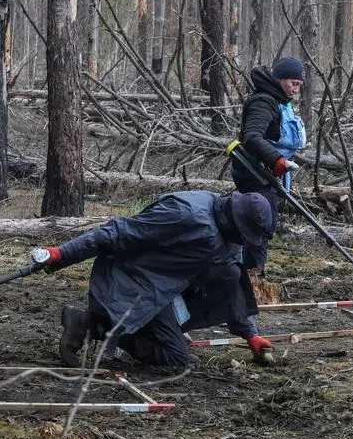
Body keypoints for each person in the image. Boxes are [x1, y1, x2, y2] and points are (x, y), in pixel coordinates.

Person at [36, 190, 280, 368]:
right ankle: (90, 325)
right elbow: (119, 231)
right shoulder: (187, 214)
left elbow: (233, 283)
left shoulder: (228, 232)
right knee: (175, 359)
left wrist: (250, 334)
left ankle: (160, 333)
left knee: (231, 274)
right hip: (134, 280)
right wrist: (63, 253)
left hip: (168, 288)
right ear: (237, 220)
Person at [231, 56, 308, 275]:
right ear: (280, 79)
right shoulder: (264, 102)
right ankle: (252, 276)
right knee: (259, 222)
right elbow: (252, 137)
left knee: (265, 222)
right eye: (293, 84)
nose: (296, 89)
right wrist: (276, 160)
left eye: (299, 86)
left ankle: (250, 272)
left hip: (268, 173)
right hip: (254, 172)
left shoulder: (280, 101)